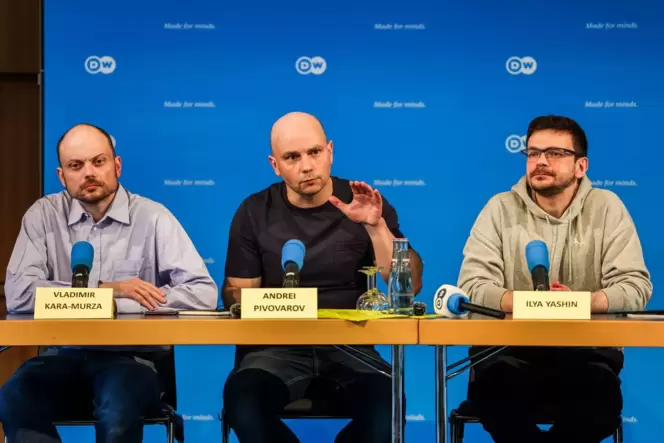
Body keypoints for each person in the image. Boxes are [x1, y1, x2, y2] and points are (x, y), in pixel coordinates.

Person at [1, 123, 218, 443]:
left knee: (116, 413)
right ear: (62, 176)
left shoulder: (153, 217)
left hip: (131, 361)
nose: (88, 172)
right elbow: (19, 293)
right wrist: (107, 292)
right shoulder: (43, 216)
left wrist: (123, 305)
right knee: (14, 396)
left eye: (98, 162)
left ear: (116, 166)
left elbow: (203, 292)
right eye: (76, 166)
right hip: (63, 356)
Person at [221, 111, 423, 442]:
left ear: (329, 151)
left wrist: (376, 227)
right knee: (243, 405)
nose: (307, 165)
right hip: (274, 351)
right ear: (275, 165)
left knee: (387, 409)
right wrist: (269, 302)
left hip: (350, 348)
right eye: (292, 157)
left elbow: (410, 285)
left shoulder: (365, 202)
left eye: (314, 152)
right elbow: (236, 295)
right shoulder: (254, 211)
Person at [457, 115, 652, 443]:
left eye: (554, 153)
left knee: (598, 406)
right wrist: (533, 303)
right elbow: (473, 286)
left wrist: (579, 303)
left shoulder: (608, 208)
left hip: (585, 354)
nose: (540, 161)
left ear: (581, 166)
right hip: (507, 353)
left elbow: (635, 286)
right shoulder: (499, 209)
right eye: (532, 153)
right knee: (498, 395)